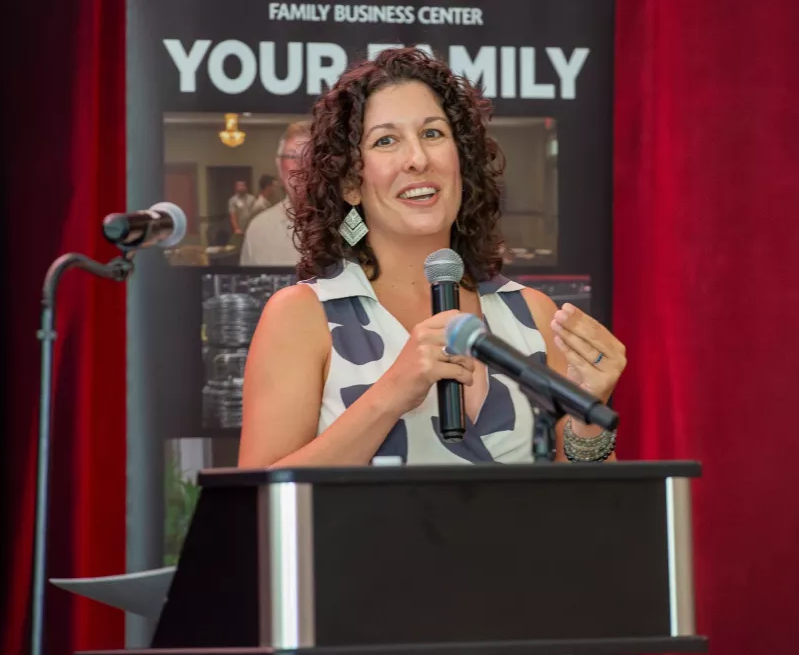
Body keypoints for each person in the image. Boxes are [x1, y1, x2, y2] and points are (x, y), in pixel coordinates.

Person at [237, 48, 626, 467]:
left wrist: (588, 421)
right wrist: (393, 392)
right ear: (351, 183)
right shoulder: (302, 316)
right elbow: (264, 504)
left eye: (433, 134)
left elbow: (589, 509)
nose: (418, 159)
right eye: (386, 140)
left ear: (462, 161)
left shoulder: (532, 315)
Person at [239, 121, 310, 267]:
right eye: (292, 156)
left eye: (312, 156)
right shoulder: (258, 229)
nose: (302, 166)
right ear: (279, 166)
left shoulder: (353, 227)